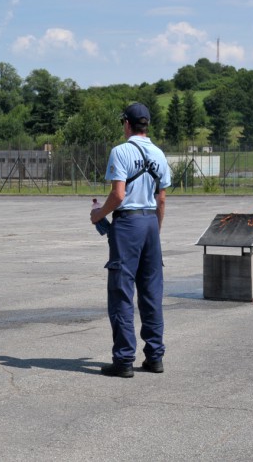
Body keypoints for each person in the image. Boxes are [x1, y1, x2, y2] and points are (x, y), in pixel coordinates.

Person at [90, 102, 171, 378]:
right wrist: (155, 231)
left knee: (122, 292)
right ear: (146, 125)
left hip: (128, 224)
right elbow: (161, 198)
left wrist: (98, 214)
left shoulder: (121, 151)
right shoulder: (159, 154)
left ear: (126, 124)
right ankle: (155, 357)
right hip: (150, 222)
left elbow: (118, 195)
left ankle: (124, 360)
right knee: (151, 293)